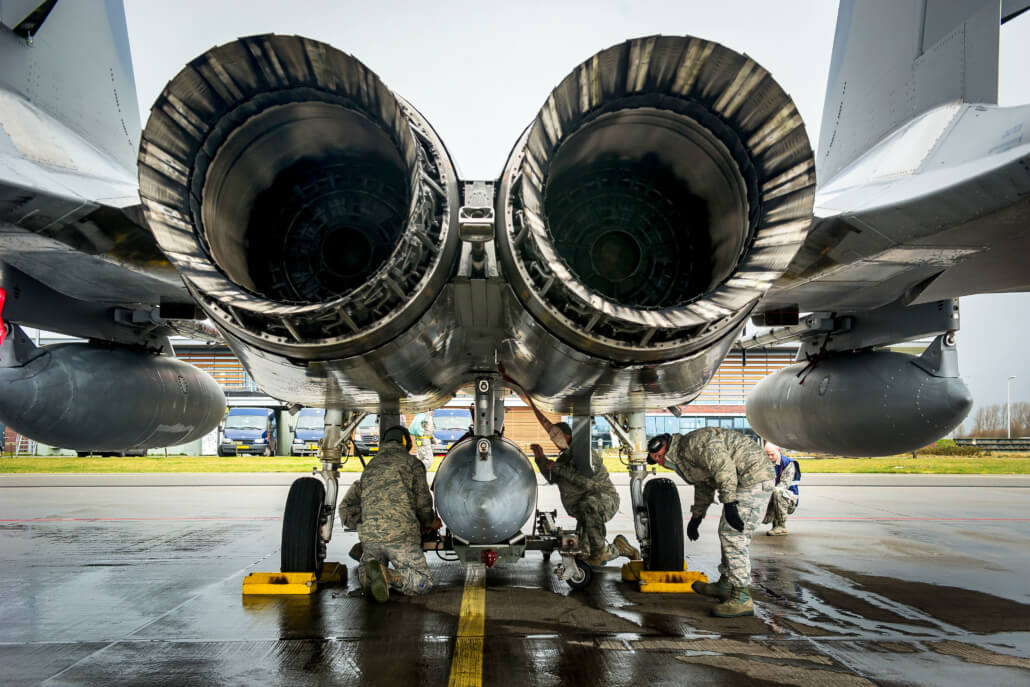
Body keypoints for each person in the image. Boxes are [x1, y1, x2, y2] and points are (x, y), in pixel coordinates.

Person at [502, 371, 639, 566]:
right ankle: (618, 548)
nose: (555, 441)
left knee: (593, 541)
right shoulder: (563, 459)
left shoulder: (584, 454)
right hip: (584, 510)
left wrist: (557, 468)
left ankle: (606, 550)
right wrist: (541, 459)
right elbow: (552, 477)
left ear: (568, 437)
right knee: (586, 555)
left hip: (601, 500)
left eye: (558, 437)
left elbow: (589, 483)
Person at [647, 428, 774, 618]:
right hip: (743, 479)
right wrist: (697, 516)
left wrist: (729, 503)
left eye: (658, 456)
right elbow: (704, 483)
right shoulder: (683, 456)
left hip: (753, 477)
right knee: (726, 531)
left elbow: (724, 468)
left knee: (733, 534)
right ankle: (726, 584)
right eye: (655, 460)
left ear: (665, 445)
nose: (659, 461)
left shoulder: (694, 443)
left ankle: (742, 597)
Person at [338, 425, 441, 603]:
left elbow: (345, 509)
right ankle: (390, 576)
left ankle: (371, 573)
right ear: (406, 444)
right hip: (401, 536)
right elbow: (423, 502)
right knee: (422, 582)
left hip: (370, 538)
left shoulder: (370, 467)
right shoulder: (412, 464)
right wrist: (429, 523)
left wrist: (364, 523)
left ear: (382, 443)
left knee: (367, 576)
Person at [762, 441, 799, 536]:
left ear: (778, 450)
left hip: (788, 500)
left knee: (777, 491)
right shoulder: (763, 463)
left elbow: (784, 485)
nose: (769, 457)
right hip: (771, 496)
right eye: (767, 454)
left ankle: (781, 526)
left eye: (772, 454)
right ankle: (774, 525)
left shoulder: (788, 463)